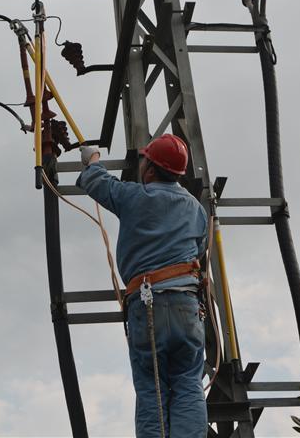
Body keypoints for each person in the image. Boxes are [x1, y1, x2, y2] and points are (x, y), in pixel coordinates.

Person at [77, 134, 208, 437]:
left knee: (152, 388)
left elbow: (98, 182)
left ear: (150, 168)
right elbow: (199, 250)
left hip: (147, 304)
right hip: (186, 305)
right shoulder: (195, 208)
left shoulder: (135, 197)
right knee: (189, 382)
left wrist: (92, 158)